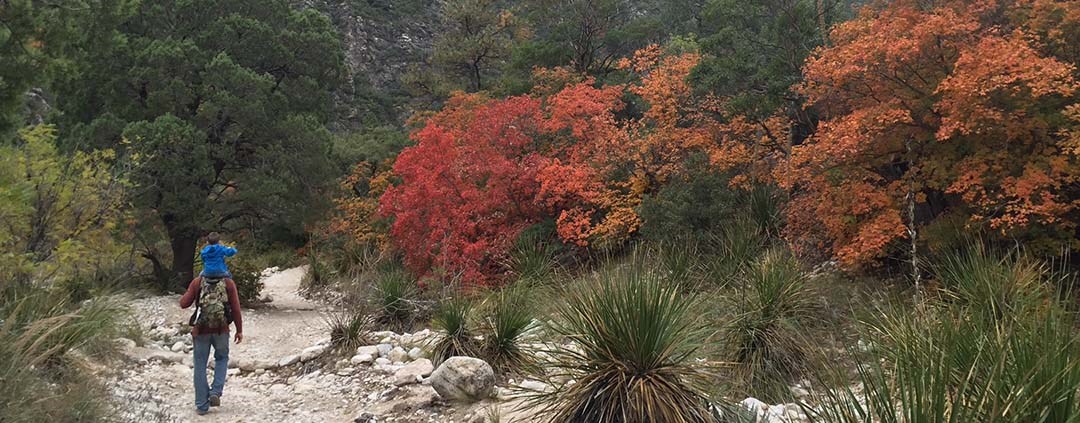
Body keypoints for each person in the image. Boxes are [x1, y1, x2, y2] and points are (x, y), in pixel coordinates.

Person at [179, 273, 243, 416]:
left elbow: (183, 304)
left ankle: (202, 405)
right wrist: (239, 330)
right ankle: (215, 391)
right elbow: (236, 309)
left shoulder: (197, 282)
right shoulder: (228, 283)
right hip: (222, 330)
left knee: (200, 364)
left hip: (200, 330)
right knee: (222, 358)